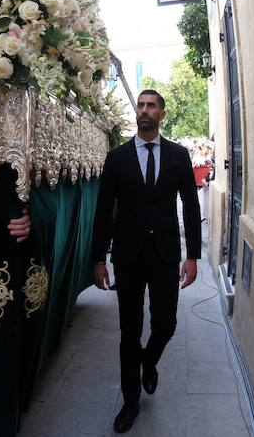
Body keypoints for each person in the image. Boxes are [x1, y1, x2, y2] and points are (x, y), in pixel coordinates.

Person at [91, 89, 201, 433]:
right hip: (129, 255)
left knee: (166, 324)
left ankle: (148, 361)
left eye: (151, 106)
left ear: (162, 115)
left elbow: (192, 207)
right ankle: (131, 401)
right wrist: (98, 258)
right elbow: (103, 210)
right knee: (129, 331)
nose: (145, 110)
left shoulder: (178, 156)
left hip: (166, 255)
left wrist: (192, 256)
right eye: (140, 105)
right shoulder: (117, 158)